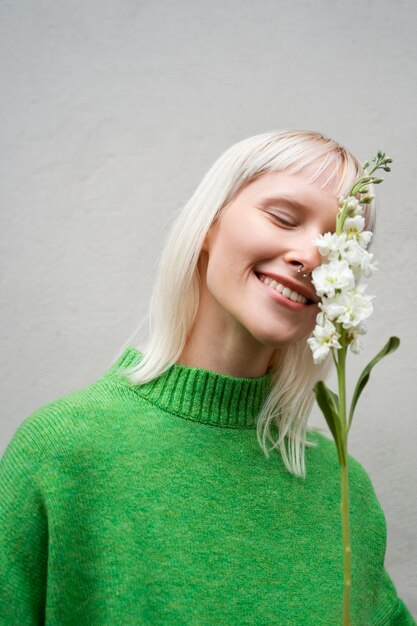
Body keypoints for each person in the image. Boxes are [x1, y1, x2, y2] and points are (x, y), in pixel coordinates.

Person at [0, 130, 415, 625]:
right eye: (284, 218)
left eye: (340, 244)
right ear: (209, 225)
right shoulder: (64, 451)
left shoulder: (344, 490)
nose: (312, 257)